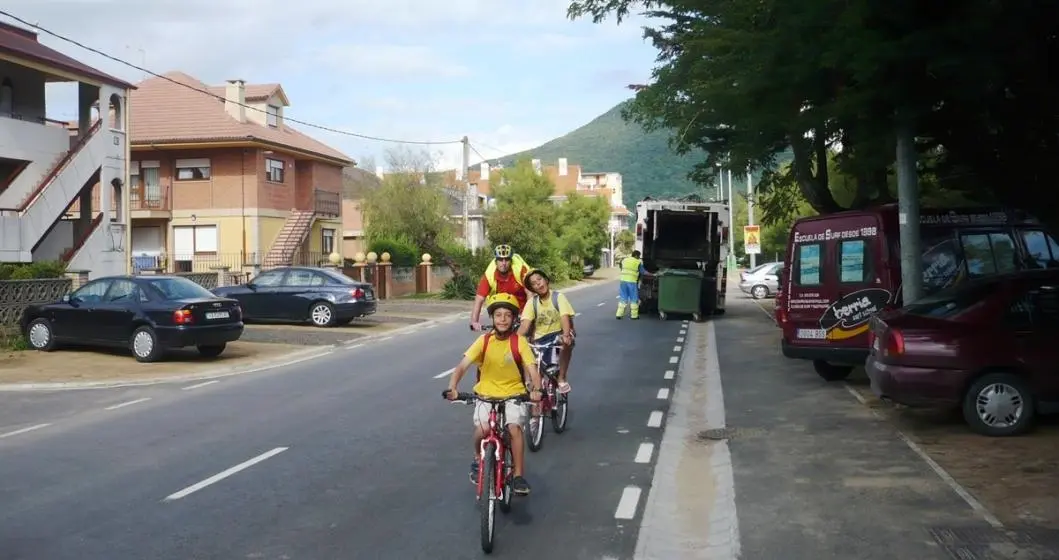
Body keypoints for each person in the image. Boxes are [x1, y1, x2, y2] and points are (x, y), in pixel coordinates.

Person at [447, 293, 542, 496]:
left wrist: (536, 390)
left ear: (515, 318)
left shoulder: (519, 342)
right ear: (492, 318)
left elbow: (533, 370)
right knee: (482, 430)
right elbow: (462, 366)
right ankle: (477, 457)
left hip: (514, 394)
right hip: (485, 395)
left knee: (514, 428)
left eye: (507, 315)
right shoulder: (484, 341)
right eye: (498, 315)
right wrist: (453, 387)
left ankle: (517, 475)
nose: (502, 319)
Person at [518, 269, 575, 394]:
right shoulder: (531, 303)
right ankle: (535, 406)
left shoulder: (558, 297)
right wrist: (515, 339)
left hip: (557, 335)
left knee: (566, 342)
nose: (538, 283)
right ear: (532, 289)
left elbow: (564, 317)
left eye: (539, 279)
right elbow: (525, 325)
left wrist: (566, 334)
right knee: (535, 381)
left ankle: (561, 378)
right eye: (533, 283)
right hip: (539, 339)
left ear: (546, 280)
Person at [470, 244, 531, 331]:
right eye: (500, 260)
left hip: (522, 312)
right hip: (502, 313)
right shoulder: (490, 274)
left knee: (527, 338)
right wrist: (474, 321)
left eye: (506, 259)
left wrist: (528, 316)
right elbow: (479, 299)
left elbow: (530, 293)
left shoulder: (519, 269)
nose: (503, 263)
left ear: (511, 260)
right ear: (496, 261)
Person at [617, 250, 647, 320]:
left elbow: (621, 267)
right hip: (632, 282)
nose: (639, 258)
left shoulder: (624, 260)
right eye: (639, 256)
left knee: (623, 298)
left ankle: (619, 314)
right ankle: (634, 316)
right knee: (634, 299)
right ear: (636, 255)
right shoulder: (637, 262)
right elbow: (643, 272)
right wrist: (653, 274)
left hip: (623, 281)